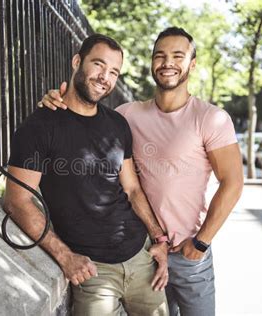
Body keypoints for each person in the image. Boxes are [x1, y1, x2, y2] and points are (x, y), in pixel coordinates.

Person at [40, 27, 244, 316]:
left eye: (178, 55)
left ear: (193, 63)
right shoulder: (126, 115)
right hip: (143, 252)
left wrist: (201, 242)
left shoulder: (211, 118)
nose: (167, 63)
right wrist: (53, 100)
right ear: (151, 63)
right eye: (160, 56)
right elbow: (82, 115)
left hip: (188, 253)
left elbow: (233, 183)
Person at [3, 34, 169, 316]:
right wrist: (65, 256)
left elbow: (132, 190)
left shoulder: (117, 124)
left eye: (114, 72)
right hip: (93, 270)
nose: (105, 77)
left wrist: (159, 239)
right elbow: (17, 200)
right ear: (77, 61)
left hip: (140, 259)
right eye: (99, 65)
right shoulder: (39, 126)